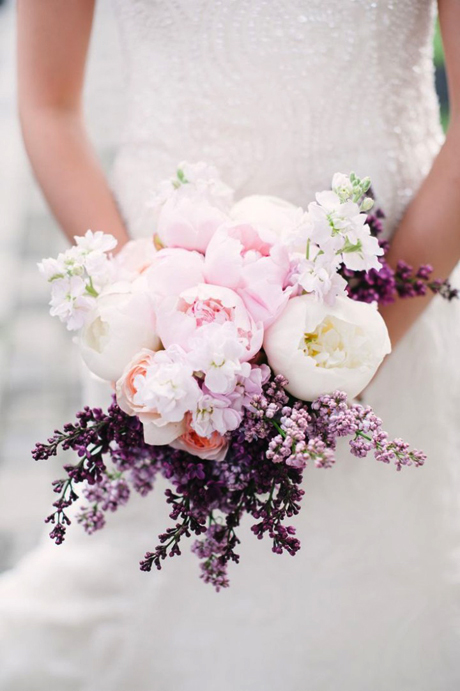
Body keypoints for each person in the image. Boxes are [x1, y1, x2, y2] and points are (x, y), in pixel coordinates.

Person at [1, 1, 459, 689]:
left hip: (389, 285)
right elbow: (48, 102)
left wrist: (354, 347)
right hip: (160, 302)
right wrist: (145, 318)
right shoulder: (155, 333)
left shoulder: (371, 329)